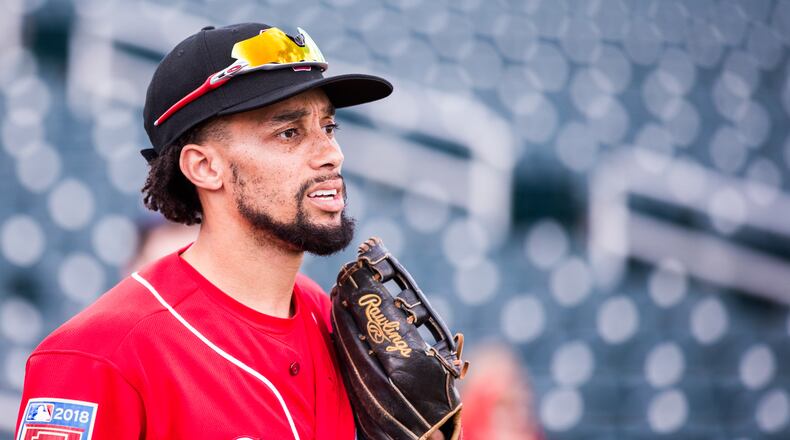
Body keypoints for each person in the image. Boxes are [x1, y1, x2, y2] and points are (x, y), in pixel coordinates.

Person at [15, 22, 393, 439]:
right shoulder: (98, 356)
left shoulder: (332, 319)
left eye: (328, 127)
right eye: (289, 133)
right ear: (205, 167)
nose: (331, 154)